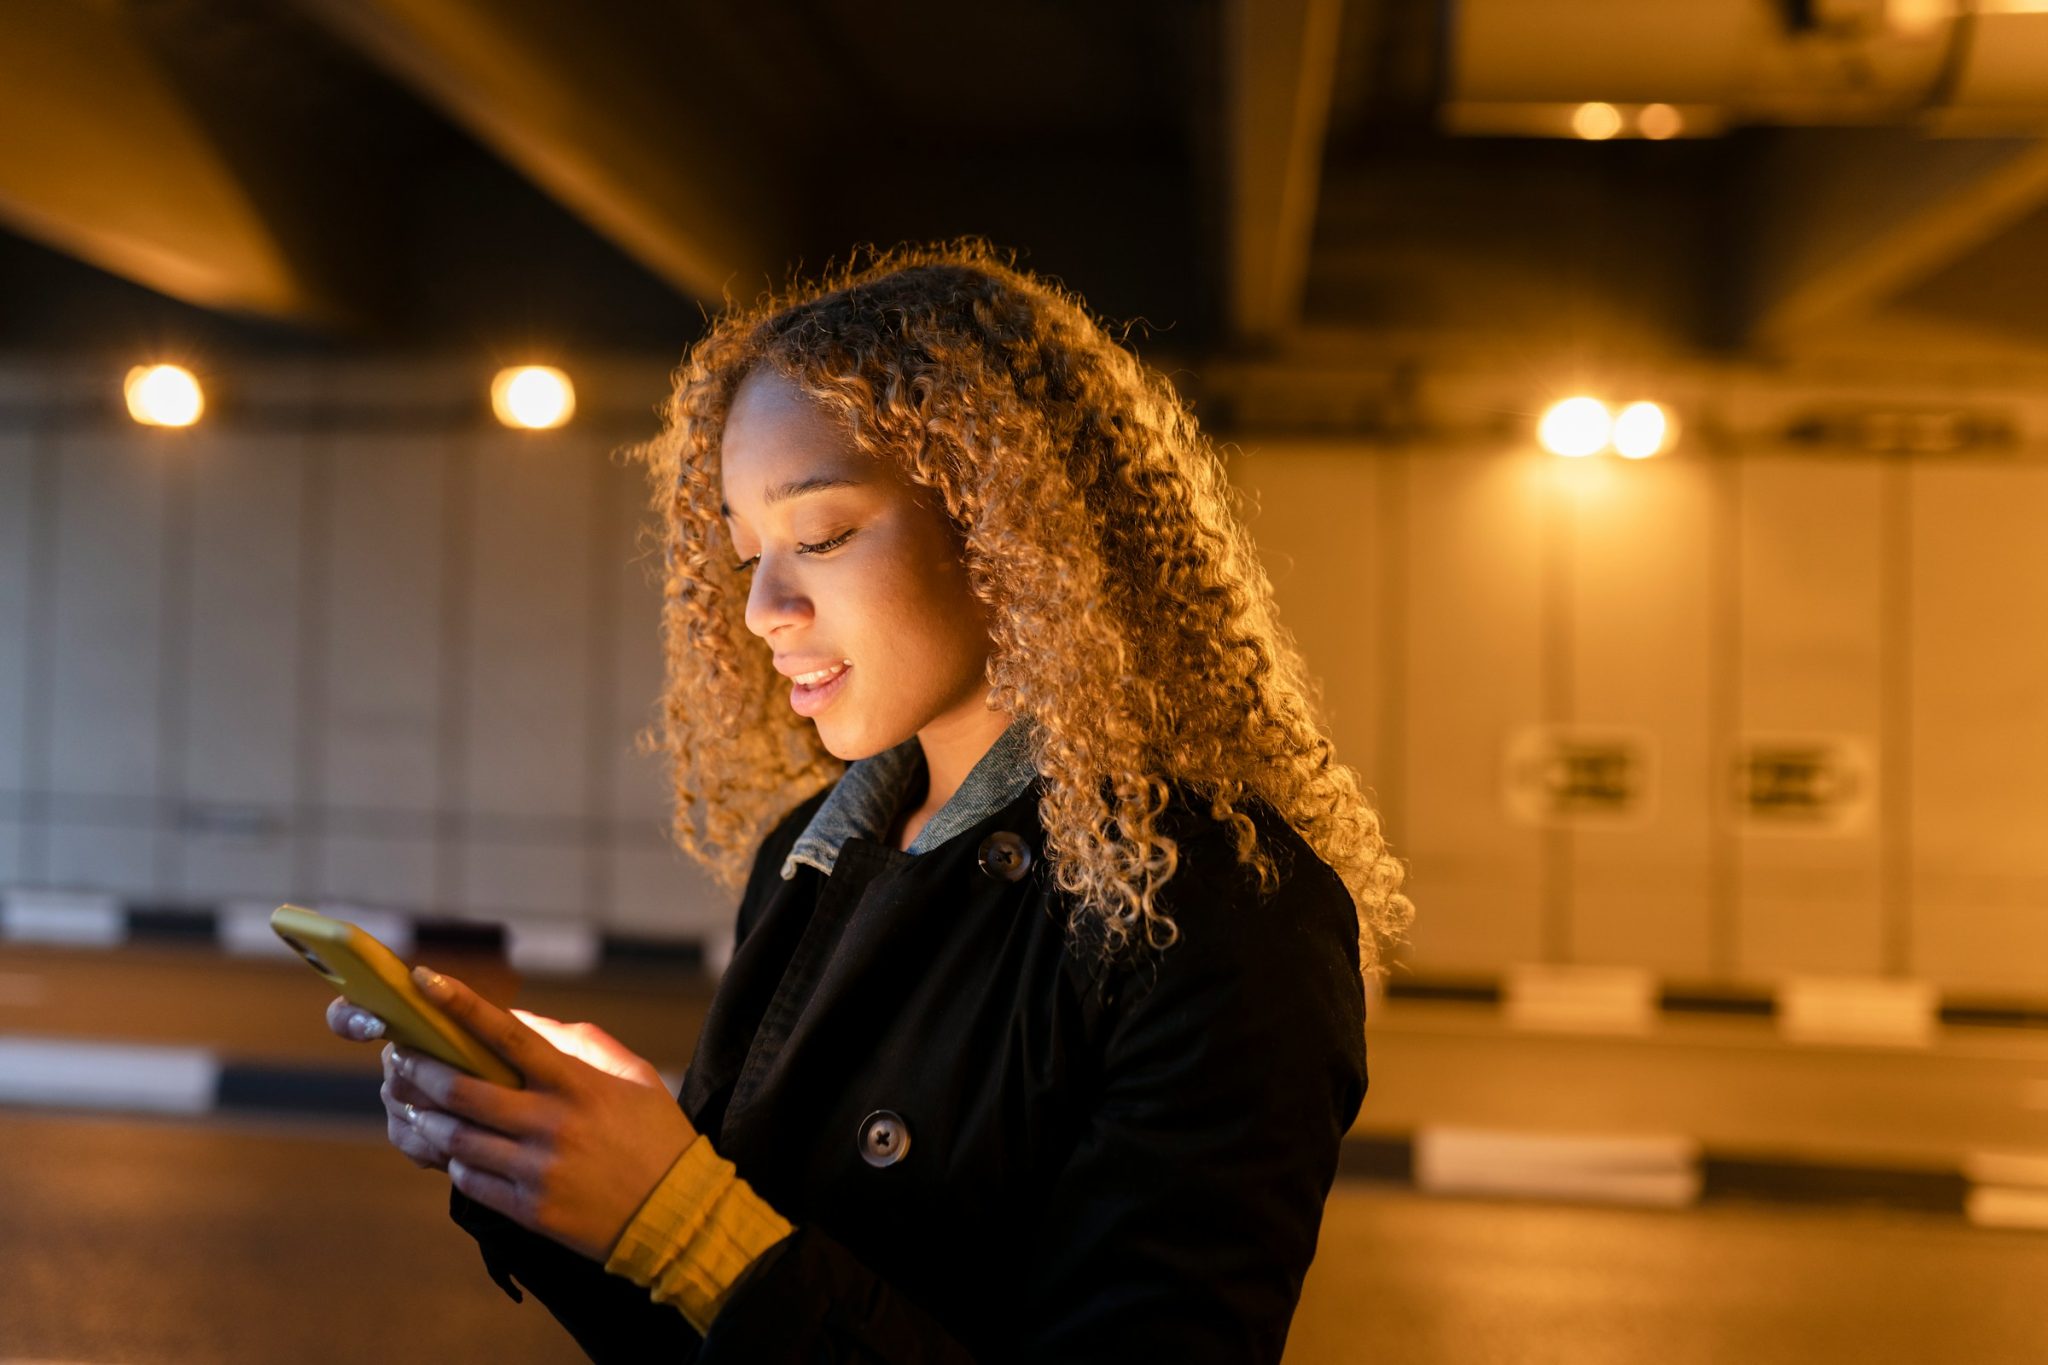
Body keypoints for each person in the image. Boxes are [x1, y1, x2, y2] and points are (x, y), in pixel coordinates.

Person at [324, 237, 1415, 1362]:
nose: (761, 609)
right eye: (744, 555)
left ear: (1005, 526)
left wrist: (685, 1222)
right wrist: (542, 1168)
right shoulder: (810, 852)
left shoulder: (1223, 912)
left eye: (822, 535)